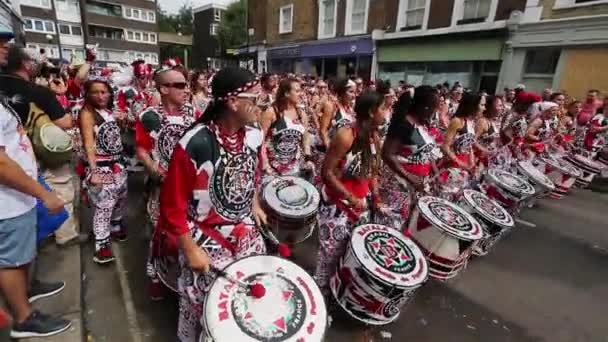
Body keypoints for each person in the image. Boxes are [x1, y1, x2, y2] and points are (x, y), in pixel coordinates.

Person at [158, 68, 267, 342]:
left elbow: (252, 174)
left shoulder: (254, 135)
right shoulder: (195, 143)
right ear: (233, 102)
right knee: (200, 308)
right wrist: (190, 249)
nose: (260, 105)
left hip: (247, 236)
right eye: (254, 98)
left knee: (242, 307)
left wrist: (253, 204)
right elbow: (172, 205)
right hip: (204, 239)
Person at [0, 28, 72, 338]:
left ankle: (27, 287)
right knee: (11, 258)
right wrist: (43, 193)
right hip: (8, 197)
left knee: (21, 251)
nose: (5, 46)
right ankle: (24, 318)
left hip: (18, 191)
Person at [0, 46, 84, 247]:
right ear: (26, 65)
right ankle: (66, 235)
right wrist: (58, 97)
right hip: (39, 151)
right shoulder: (38, 91)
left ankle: (36, 235)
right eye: (37, 63)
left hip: (11, 154)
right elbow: (65, 122)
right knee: (60, 186)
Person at [137, 69, 201, 299]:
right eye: (180, 85)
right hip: (161, 187)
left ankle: (184, 275)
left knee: (188, 232)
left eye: (187, 85)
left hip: (190, 189)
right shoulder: (149, 116)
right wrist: (155, 171)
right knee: (159, 233)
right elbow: (142, 149)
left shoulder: (195, 114)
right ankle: (155, 276)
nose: (186, 90)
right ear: (164, 89)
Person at [314, 91, 384, 295]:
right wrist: (351, 198)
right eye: (383, 108)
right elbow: (326, 172)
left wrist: (375, 198)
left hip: (360, 206)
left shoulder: (375, 137)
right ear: (372, 112)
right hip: (336, 207)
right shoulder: (346, 136)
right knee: (329, 256)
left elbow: (372, 172)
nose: (386, 112)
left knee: (351, 254)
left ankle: (339, 292)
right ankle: (321, 295)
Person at [79, 77, 128, 264]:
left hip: (118, 164)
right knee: (104, 205)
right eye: (96, 92)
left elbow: (115, 137)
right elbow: (89, 144)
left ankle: (115, 227)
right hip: (101, 165)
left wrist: (122, 121)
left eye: (104, 91)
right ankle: (101, 244)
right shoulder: (87, 113)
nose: (101, 95)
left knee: (121, 198)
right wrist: (94, 171)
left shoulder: (108, 111)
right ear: (88, 94)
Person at [381, 85, 441, 224]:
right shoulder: (404, 124)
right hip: (399, 185)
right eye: (433, 107)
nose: (435, 111)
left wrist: (434, 170)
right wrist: (410, 178)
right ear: (423, 106)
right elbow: (387, 154)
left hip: (417, 184)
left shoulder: (423, 123)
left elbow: (426, 150)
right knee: (394, 224)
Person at [260, 78, 313, 177]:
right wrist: (265, 164)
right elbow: (260, 140)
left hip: (294, 168)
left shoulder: (301, 114)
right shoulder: (271, 112)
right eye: (297, 91)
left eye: (300, 90)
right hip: (272, 170)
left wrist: (308, 159)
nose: (301, 94)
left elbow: (305, 139)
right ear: (286, 93)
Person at [442, 93, 485, 171]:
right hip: (450, 165)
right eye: (482, 105)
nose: (484, 108)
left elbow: (469, 145)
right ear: (473, 106)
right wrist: (460, 163)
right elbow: (445, 147)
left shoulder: (471, 122)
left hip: (463, 163)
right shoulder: (457, 121)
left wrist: (471, 163)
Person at [318, 78, 357, 150]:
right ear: (342, 92)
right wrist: (329, 149)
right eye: (351, 92)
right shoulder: (331, 106)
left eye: (355, 92)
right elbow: (323, 130)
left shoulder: (351, 109)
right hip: (327, 151)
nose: (354, 95)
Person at [475, 95, 503, 167]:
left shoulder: (493, 121)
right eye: (499, 106)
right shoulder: (482, 122)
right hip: (478, 160)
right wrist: (487, 151)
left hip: (488, 160)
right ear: (490, 107)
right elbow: (472, 141)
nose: (501, 108)